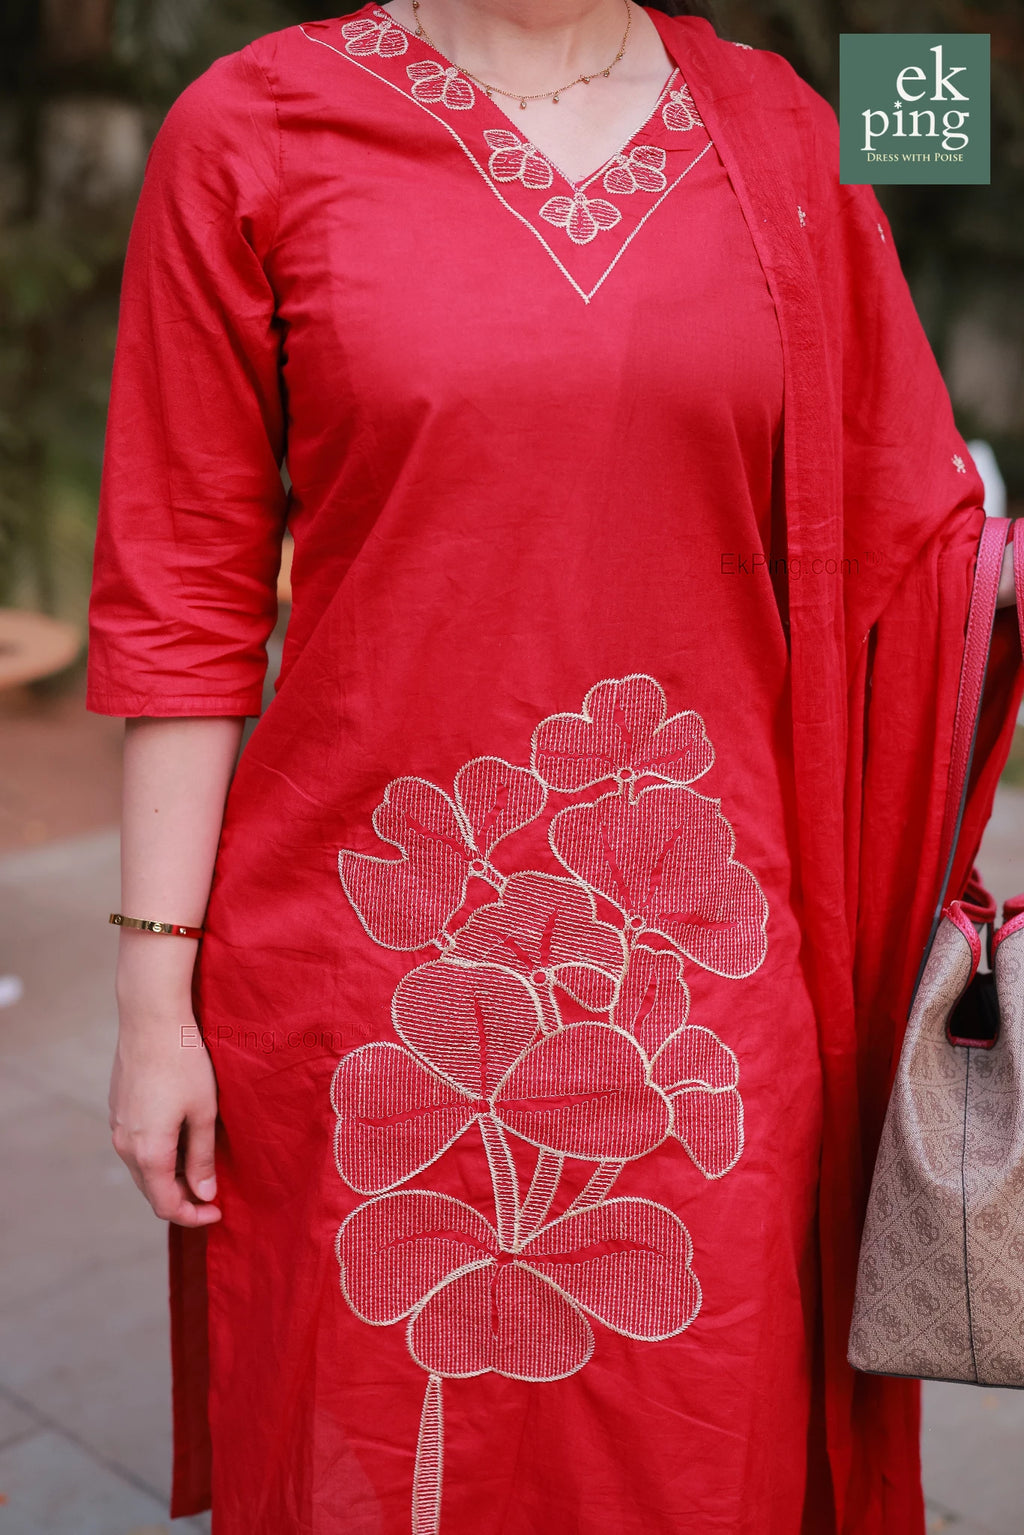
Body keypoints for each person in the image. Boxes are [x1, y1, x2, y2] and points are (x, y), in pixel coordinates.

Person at [85, 2, 1023, 1531]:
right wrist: (153, 997)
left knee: (694, 1443)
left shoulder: (792, 126)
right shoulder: (252, 127)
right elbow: (181, 596)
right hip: (364, 984)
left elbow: (919, 545)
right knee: (378, 1462)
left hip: (706, 990)